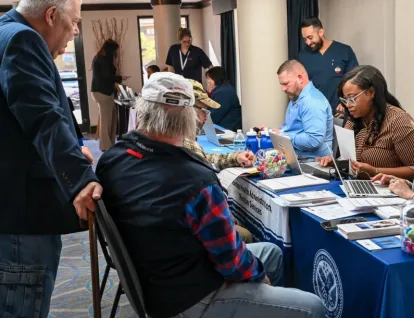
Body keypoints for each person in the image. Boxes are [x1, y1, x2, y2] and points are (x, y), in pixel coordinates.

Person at [96, 72, 325, 318]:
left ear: (142, 111)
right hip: (191, 297)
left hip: (154, 277)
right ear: (190, 118)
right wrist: (259, 277)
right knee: (313, 307)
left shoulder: (112, 159)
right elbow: (231, 262)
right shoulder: (195, 180)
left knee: (271, 252)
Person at [0, 1, 102, 317]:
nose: (74, 31)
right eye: (73, 22)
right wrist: (80, 180)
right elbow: (42, 115)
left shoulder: (4, 30)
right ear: (51, 16)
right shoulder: (22, 39)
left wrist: (72, 146)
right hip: (23, 219)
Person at [317, 65, 414, 181]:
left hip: (391, 191)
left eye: (352, 98)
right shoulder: (353, 118)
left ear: (371, 92)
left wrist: (374, 171)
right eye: (345, 100)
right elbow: (351, 160)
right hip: (357, 185)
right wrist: (336, 163)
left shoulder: (398, 121)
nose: (348, 105)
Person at [184, 78, 254, 242]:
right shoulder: (184, 145)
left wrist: (235, 157)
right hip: (197, 236)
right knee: (248, 237)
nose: (206, 119)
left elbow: (206, 157)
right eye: (204, 111)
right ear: (188, 110)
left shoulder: (180, 141)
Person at [298, 16, 358, 117]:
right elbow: (300, 87)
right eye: (305, 39)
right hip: (314, 114)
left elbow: (355, 80)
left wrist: (346, 102)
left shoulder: (344, 51)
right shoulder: (302, 56)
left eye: (310, 37)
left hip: (340, 112)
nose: (308, 42)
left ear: (320, 32)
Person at [277, 59, 334, 158]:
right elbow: (289, 129)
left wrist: (284, 136)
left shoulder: (313, 102)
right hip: (297, 158)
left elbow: (313, 140)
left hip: (313, 163)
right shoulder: (295, 96)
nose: (283, 89)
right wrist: (271, 132)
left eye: (286, 84)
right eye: (281, 84)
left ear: (299, 78)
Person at [91, 39, 129, 151]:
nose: (116, 52)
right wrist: (121, 77)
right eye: (115, 50)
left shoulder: (100, 57)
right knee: (106, 120)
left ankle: (110, 143)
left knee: (111, 118)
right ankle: (105, 145)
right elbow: (107, 76)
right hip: (103, 92)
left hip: (102, 91)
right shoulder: (104, 59)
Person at [205, 66, 242, 131]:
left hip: (227, 130)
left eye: (209, 78)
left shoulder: (223, 92)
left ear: (215, 77)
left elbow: (214, 116)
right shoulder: (224, 88)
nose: (208, 81)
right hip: (225, 127)